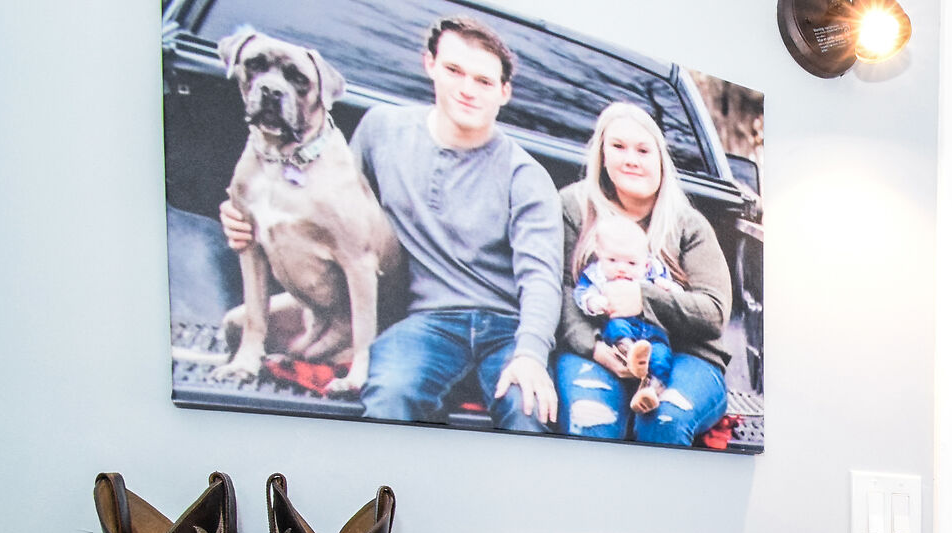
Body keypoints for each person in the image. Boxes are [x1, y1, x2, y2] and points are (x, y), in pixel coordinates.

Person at [222, 16, 562, 432]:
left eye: (483, 81)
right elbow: (336, 205)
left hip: (505, 325)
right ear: (430, 65)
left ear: (504, 92)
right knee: (389, 394)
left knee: (528, 409)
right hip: (426, 322)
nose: (467, 89)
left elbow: (541, 278)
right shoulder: (383, 130)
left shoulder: (525, 176)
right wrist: (244, 214)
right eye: (454, 70)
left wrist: (530, 354)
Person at [556, 102, 732, 446]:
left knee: (664, 421)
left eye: (642, 150)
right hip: (598, 350)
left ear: (660, 159)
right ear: (602, 155)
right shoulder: (574, 208)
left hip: (685, 356)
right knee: (591, 419)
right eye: (618, 147)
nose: (631, 159)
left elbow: (714, 311)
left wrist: (643, 300)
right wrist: (594, 348)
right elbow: (559, 289)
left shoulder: (688, 224)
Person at [574, 214, 676, 415]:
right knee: (616, 327)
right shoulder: (598, 276)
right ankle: (629, 352)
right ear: (599, 255)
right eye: (612, 260)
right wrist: (594, 302)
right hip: (622, 324)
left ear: (645, 264)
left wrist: (668, 289)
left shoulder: (653, 274)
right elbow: (582, 293)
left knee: (662, 357)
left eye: (631, 263)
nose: (621, 268)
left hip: (652, 329)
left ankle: (651, 391)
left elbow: (674, 296)